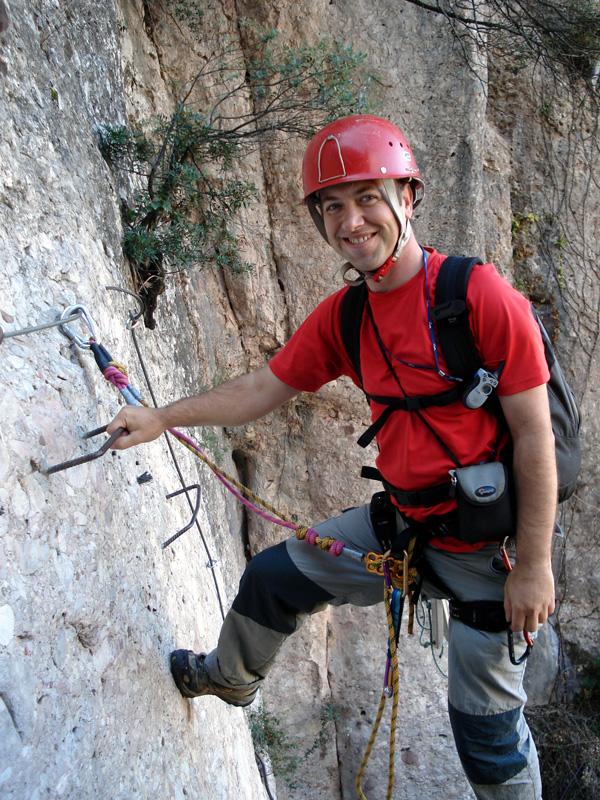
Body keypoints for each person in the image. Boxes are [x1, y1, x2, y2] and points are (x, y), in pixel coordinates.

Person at [107, 115, 556, 799]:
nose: (351, 221)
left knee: (488, 740)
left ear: (408, 196)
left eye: (368, 197)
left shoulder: (477, 298)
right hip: (406, 527)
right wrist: (163, 417)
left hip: (487, 554)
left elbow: (534, 436)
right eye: (333, 205)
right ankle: (229, 678)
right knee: (273, 578)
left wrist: (537, 566)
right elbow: (262, 387)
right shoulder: (348, 317)